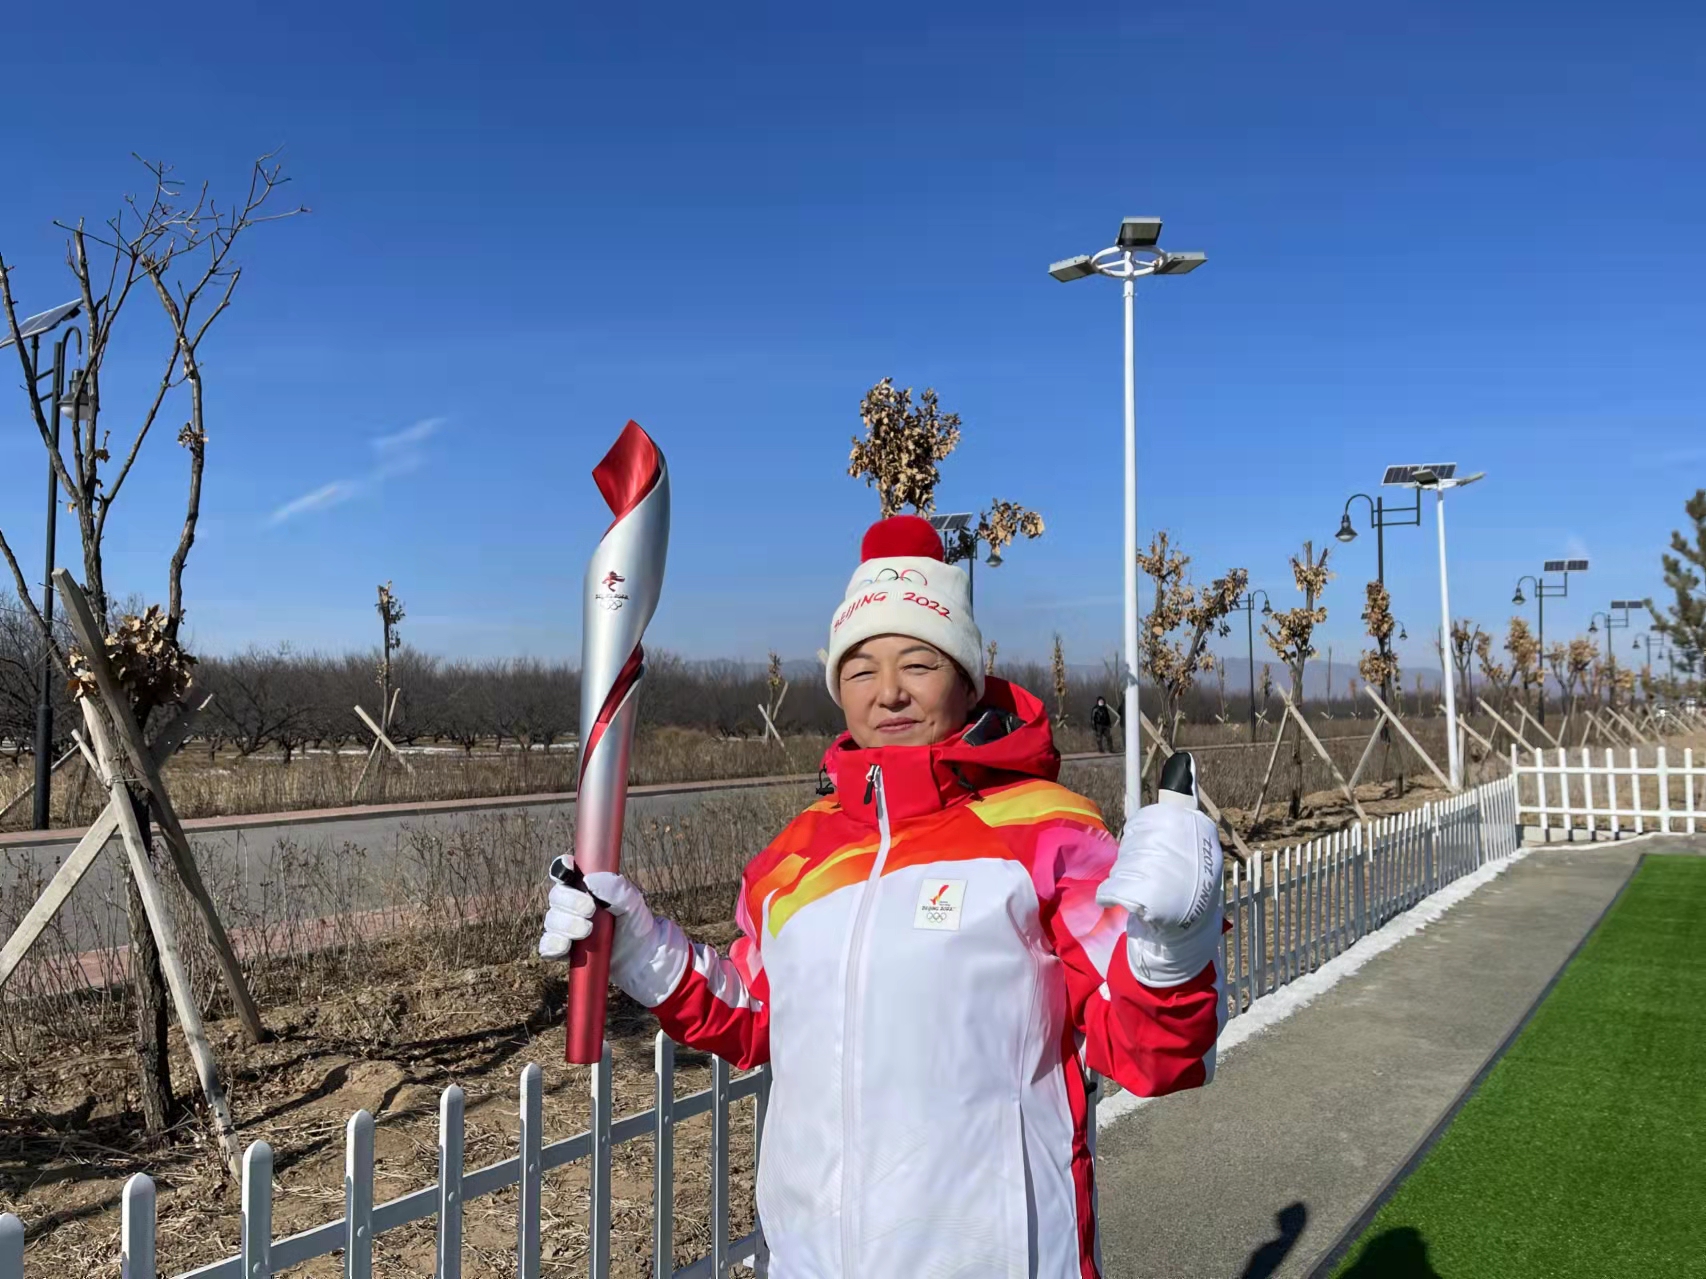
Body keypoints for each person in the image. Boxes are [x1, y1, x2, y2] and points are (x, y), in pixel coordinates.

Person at [540, 514, 1225, 1278]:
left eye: (919, 662)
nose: (889, 691)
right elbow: (758, 1013)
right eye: (861, 668)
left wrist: (1174, 949)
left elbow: (1151, 1053)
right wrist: (639, 947)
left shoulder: (1045, 834)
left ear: (966, 678)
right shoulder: (797, 853)